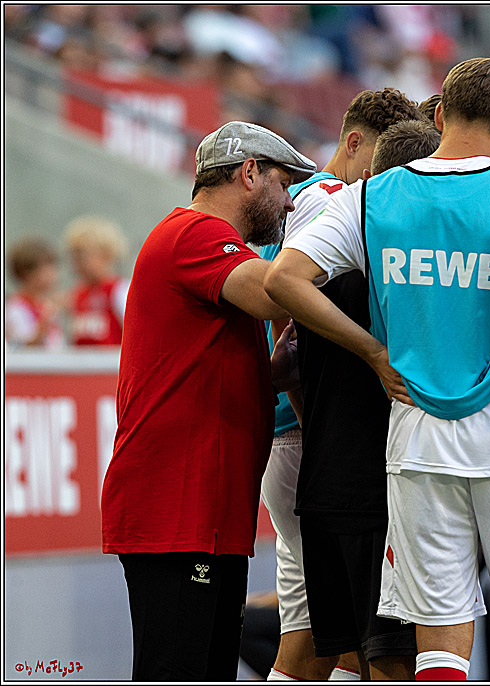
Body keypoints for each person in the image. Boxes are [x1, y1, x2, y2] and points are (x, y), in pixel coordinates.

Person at [265, 56, 490, 681]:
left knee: (439, 645)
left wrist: (372, 352)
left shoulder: (369, 197)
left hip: (418, 437)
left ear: (440, 113)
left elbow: (285, 279)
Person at [100, 121, 316, 681]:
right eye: (284, 182)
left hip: (202, 511)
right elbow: (276, 292)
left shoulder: (199, 243)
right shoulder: (196, 233)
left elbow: (201, 370)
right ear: (250, 174)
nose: (288, 201)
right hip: (179, 509)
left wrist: (273, 375)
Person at [256, 87, 426, 682]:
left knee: (325, 635)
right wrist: (314, 419)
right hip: (308, 437)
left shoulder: (312, 199)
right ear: (355, 144)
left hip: (311, 439)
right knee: (348, 634)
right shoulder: (335, 200)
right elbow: (289, 329)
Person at [64, 215, 130, 346]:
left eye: (81, 258)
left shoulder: (119, 290)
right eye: (73, 258)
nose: (76, 265)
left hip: (111, 365)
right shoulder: (77, 295)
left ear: (106, 255)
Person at [5, 237, 64, 350]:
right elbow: (19, 348)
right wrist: (44, 324)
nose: (54, 274)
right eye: (47, 268)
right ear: (27, 274)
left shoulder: (47, 305)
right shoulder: (14, 307)